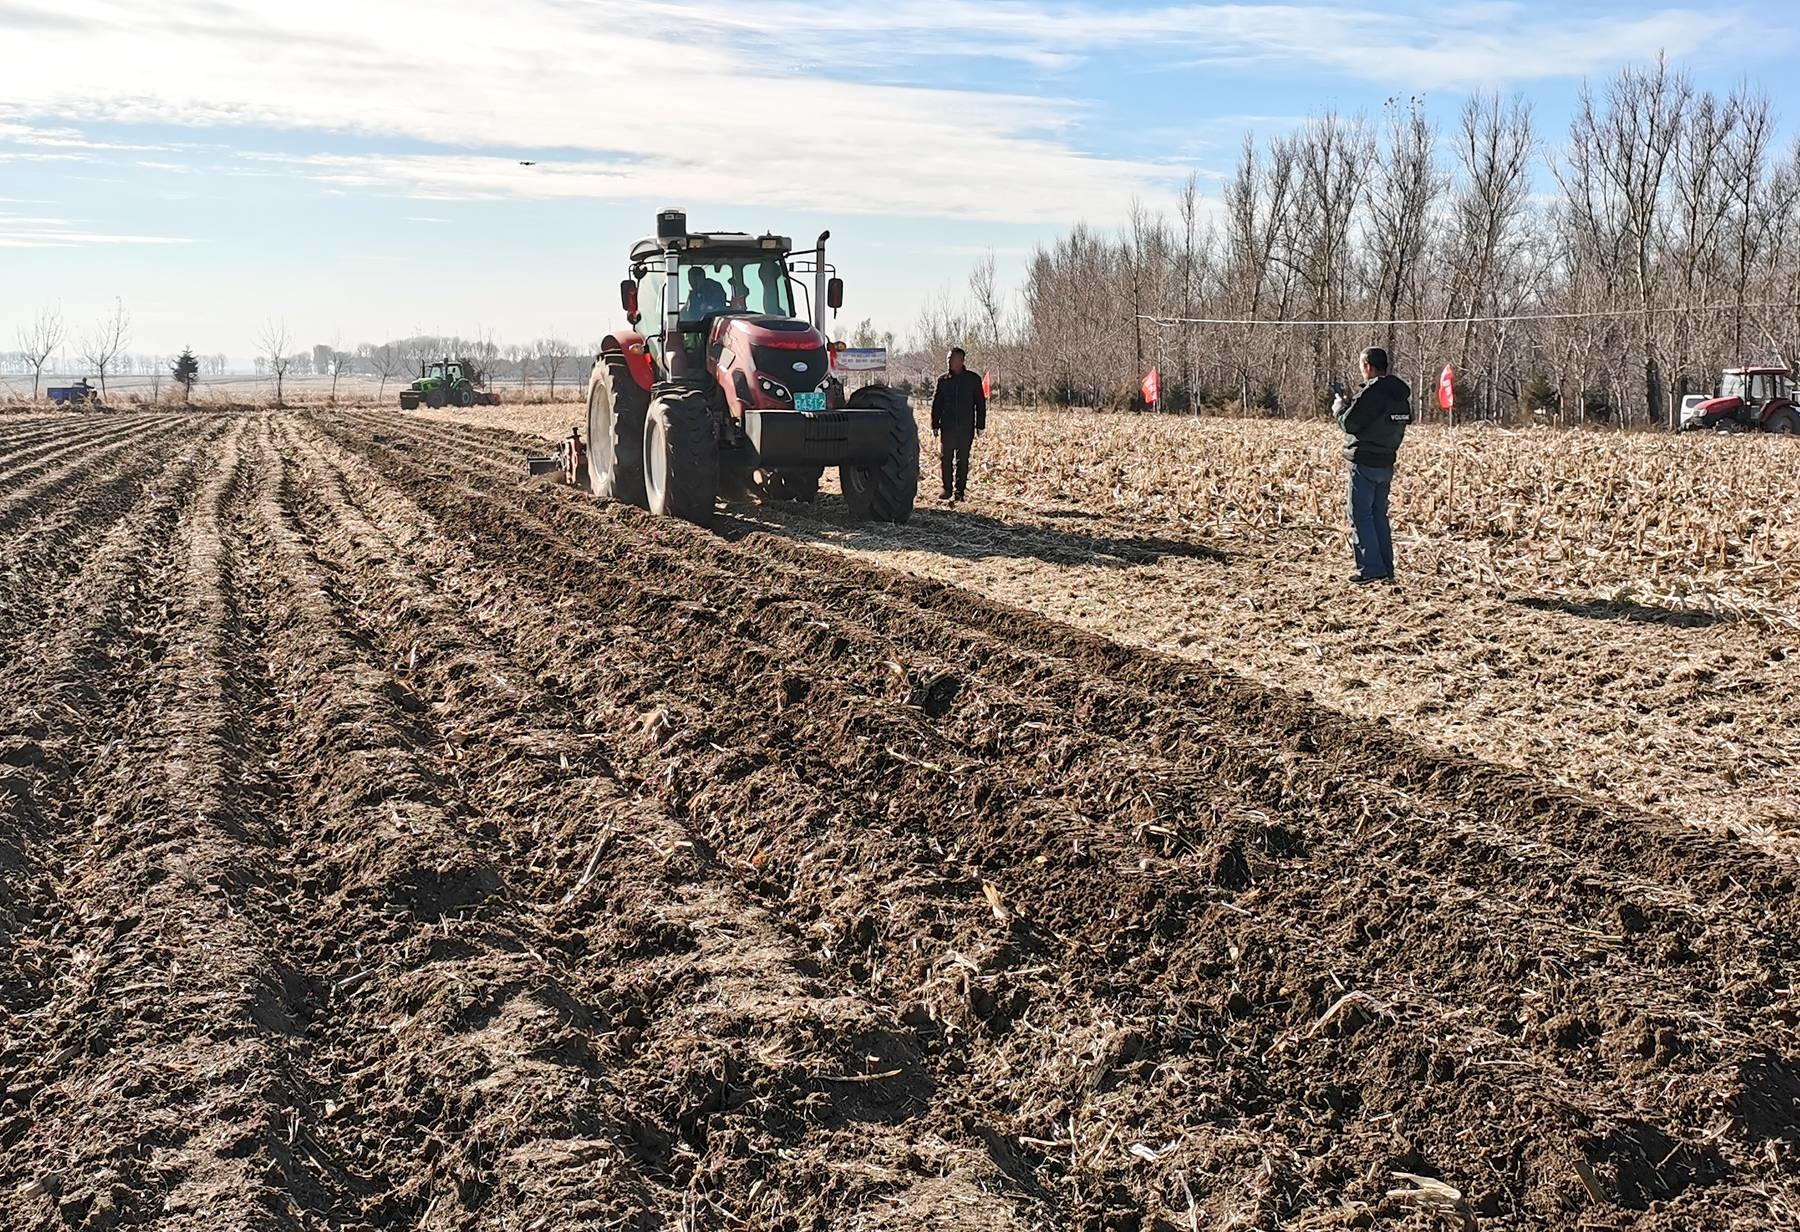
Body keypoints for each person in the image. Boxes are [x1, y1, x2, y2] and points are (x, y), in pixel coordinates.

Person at [1334, 346, 1411, 584]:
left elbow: (1351, 423)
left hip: (1364, 462)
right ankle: (1385, 567)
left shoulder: (1372, 393)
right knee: (1379, 515)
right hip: (1386, 462)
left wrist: (1339, 409)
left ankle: (1370, 568)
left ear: (1368, 366)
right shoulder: (1399, 395)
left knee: (1360, 515)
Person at [930, 347, 987, 503]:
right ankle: (946, 488)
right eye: (948, 359)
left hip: (965, 426)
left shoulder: (973, 380)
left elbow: (980, 404)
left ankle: (959, 492)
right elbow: (937, 404)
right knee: (945, 458)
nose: (949, 362)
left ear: (961, 361)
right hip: (947, 426)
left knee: (962, 459)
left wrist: (980, 425)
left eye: (952, 359)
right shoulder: (943, 381)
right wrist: (934, 423)